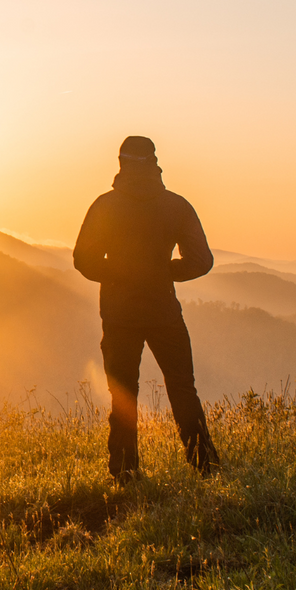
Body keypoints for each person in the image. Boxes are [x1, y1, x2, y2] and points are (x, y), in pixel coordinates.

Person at [72, 135, 217, 480]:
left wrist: (121, 273)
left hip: (119, 313)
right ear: (154, 163)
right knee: (182, 387)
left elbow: (83, 260)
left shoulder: (105, 206)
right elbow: (202, 260)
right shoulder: (176, 206)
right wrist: (163, 272)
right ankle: (205, 466)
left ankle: (125, 471)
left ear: (121, 163)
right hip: (164, 310)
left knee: (123, 393)